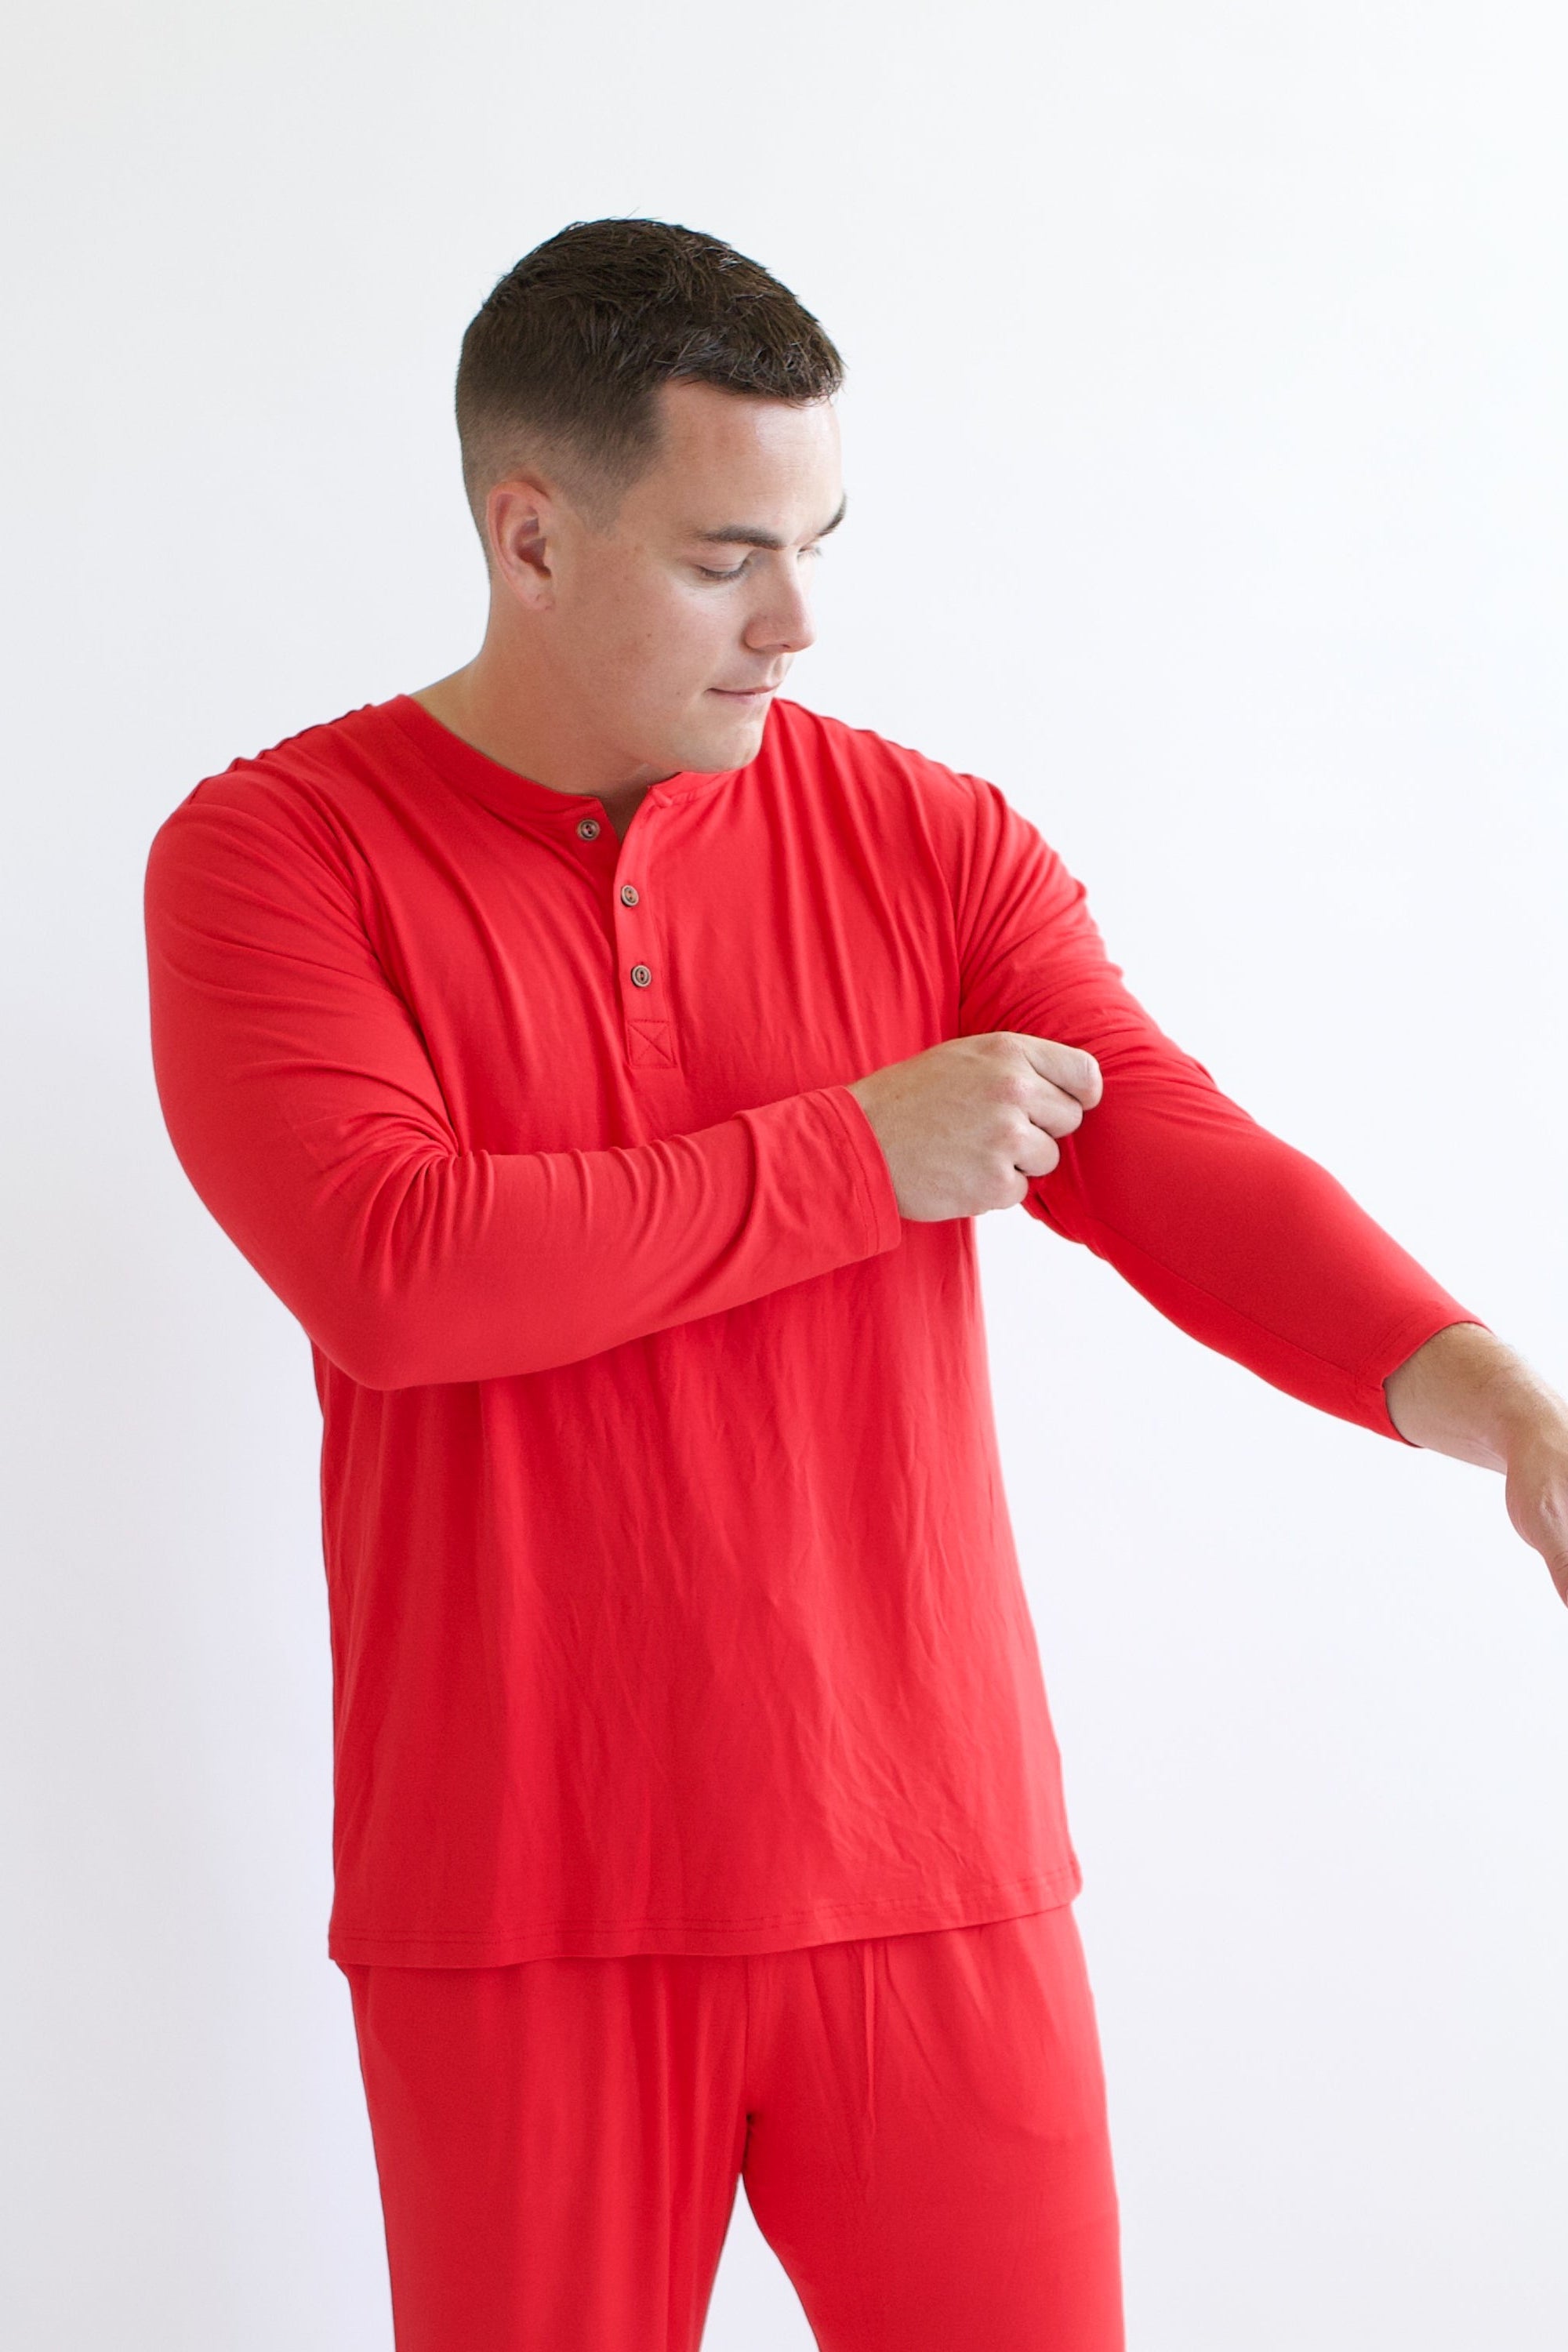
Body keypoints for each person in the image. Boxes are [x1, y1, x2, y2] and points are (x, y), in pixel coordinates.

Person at [142, 218, 1568, 2352]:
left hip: (929, 1867)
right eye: (730, 558)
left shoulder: (928, 835)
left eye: (819, 542)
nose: (800, 622)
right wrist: (854, 1156)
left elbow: (1170, 1154)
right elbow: (399, 1271)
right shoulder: (276, 856)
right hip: (517, 1899)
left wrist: (1510, 1417)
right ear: (530, 537)